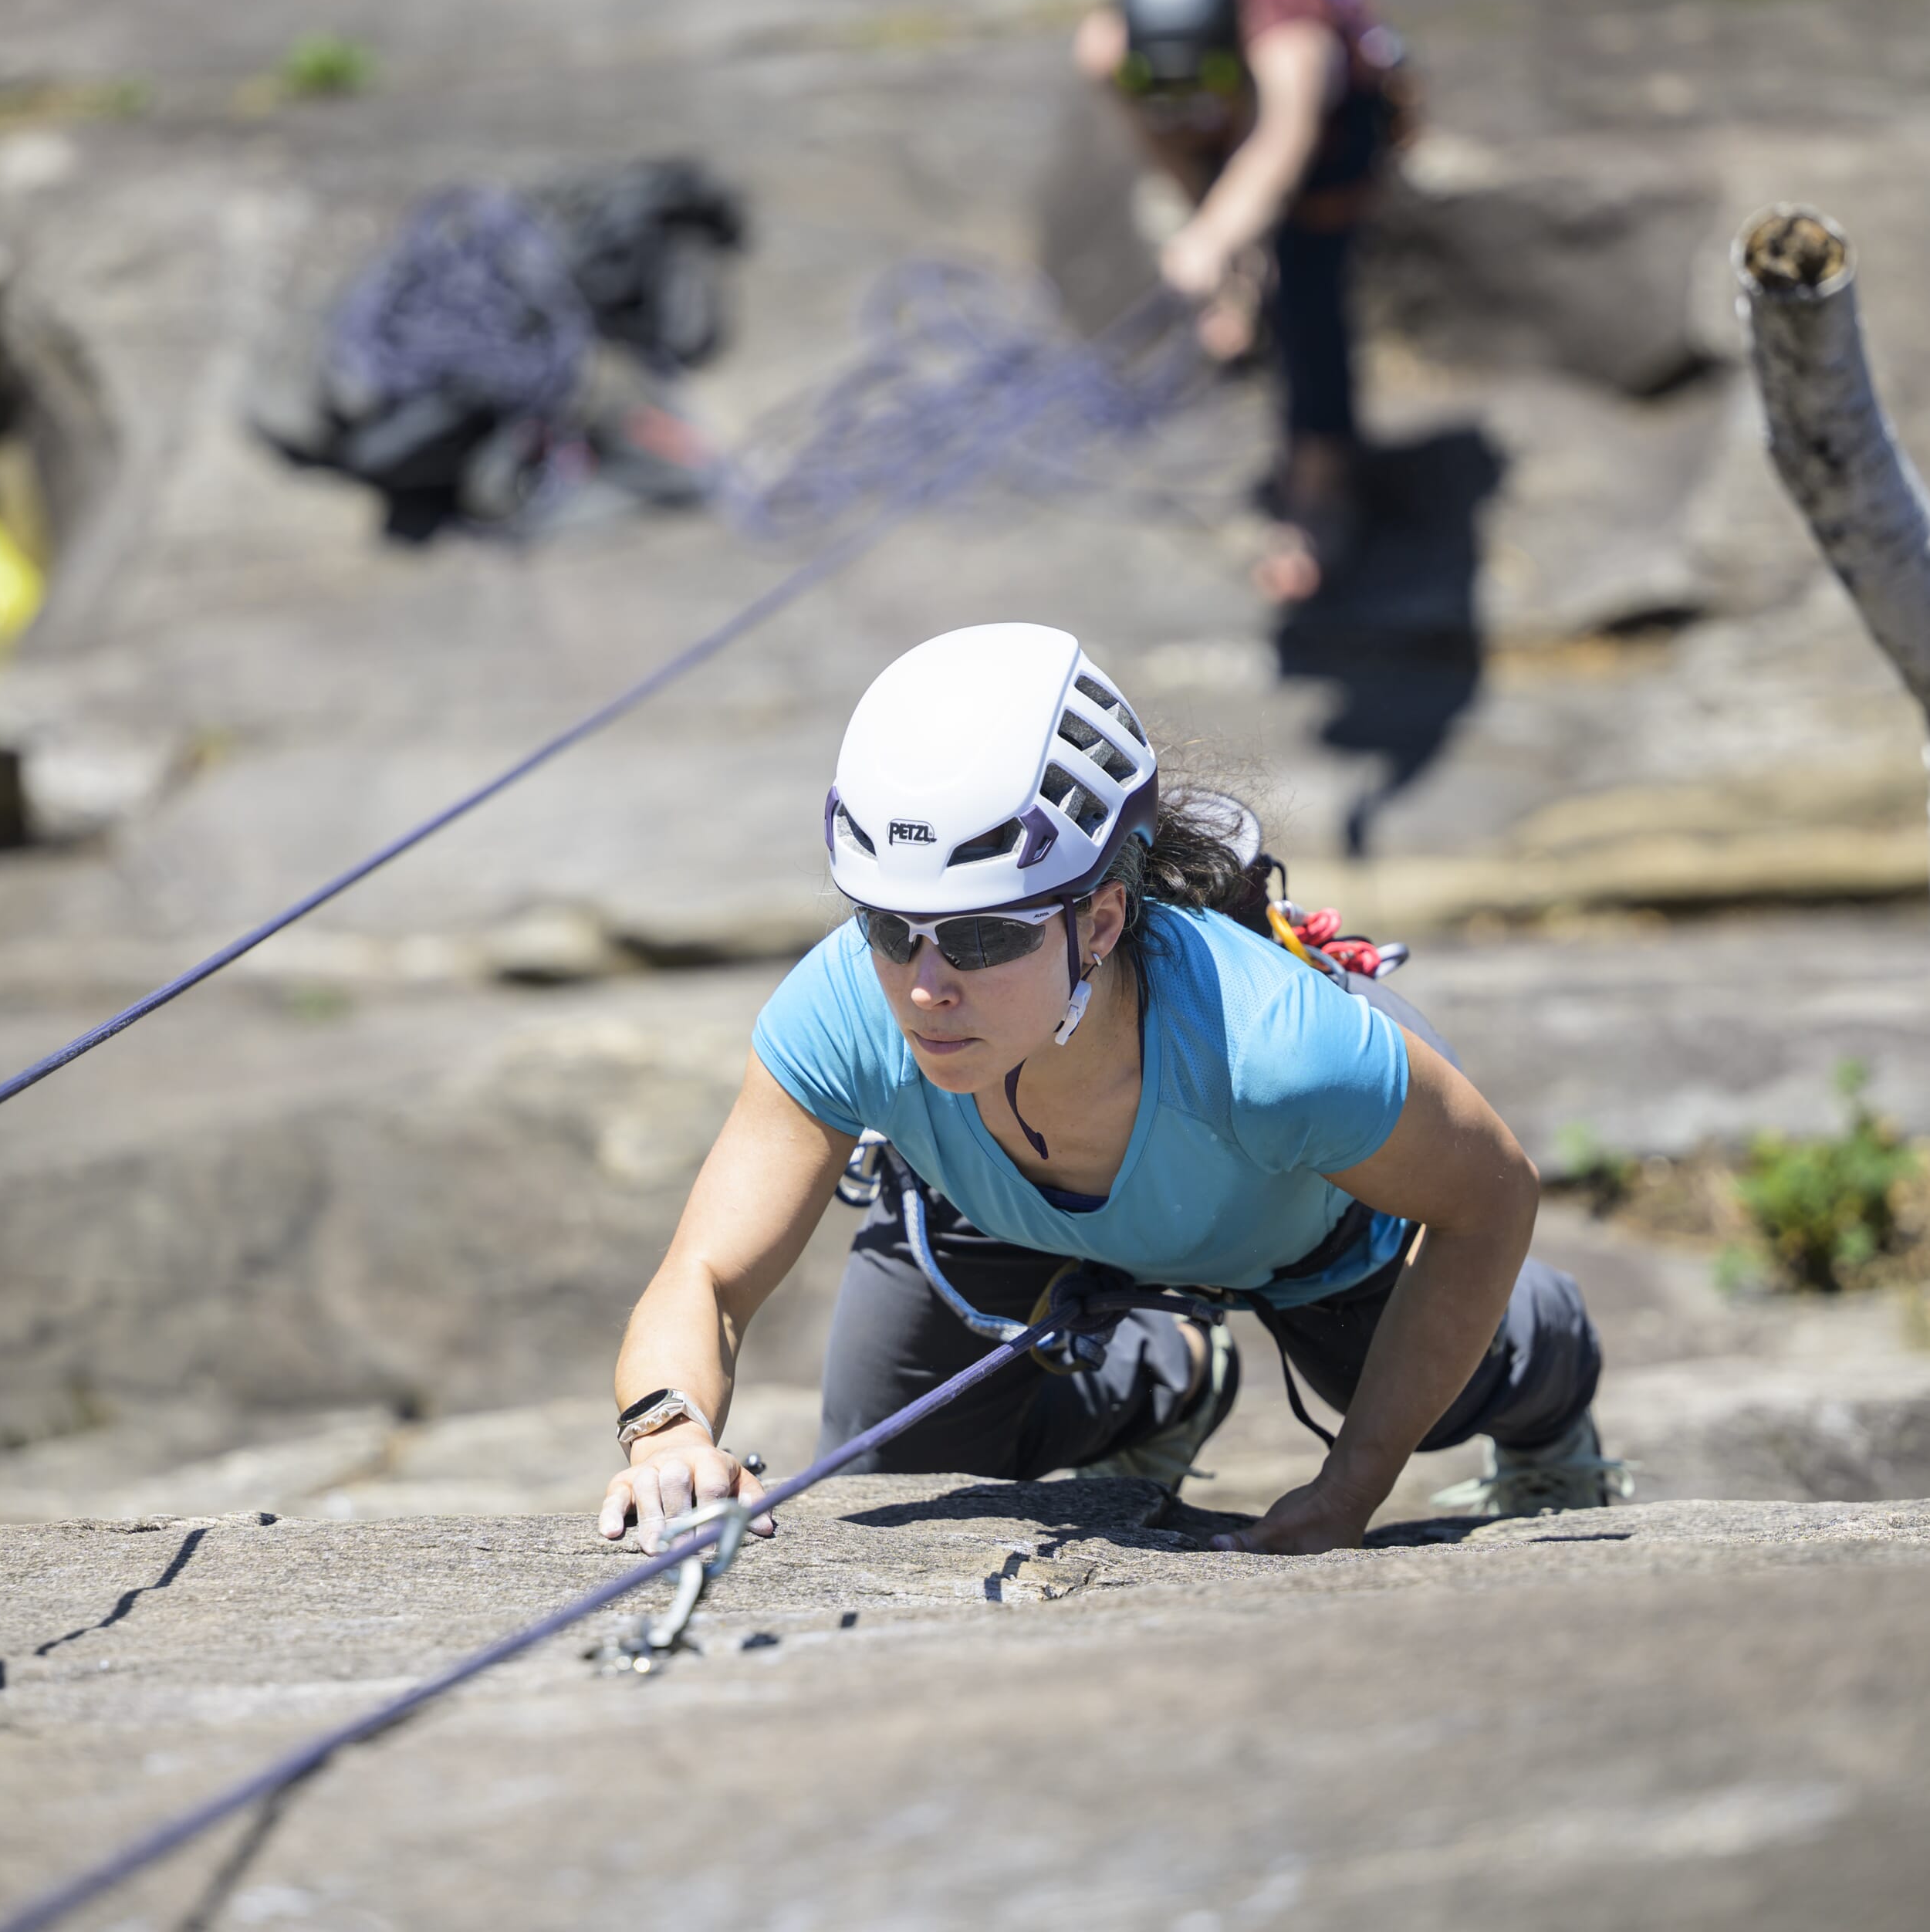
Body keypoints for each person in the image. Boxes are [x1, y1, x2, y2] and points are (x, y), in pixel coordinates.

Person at [600, 624, 1621, 1559]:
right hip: (996, 1216)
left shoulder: (1274, 1049)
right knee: (903, 1480)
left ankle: (1552, 1358)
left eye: (984, 935)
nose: (923, 985)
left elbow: (1491, 1198)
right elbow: (708, 1276)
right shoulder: (842, 1009)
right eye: (885, 925)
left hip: (1301, 1226)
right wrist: (667, 1431)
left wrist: (1353, 1485)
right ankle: (1170, 1374)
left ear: (1099, 923)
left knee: (1422, 1400)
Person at [1076, 0, 1415, 604]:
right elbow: (1165, 140)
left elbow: (1275, 154)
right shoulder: (1110, 49)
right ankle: (1240, 301)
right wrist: (1212, 227)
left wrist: (1210, 237)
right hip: (1237, 110)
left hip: (1333, 134)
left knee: (1311, 299)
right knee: (1234, 232)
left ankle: (1317, 498)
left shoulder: (1296, 46)